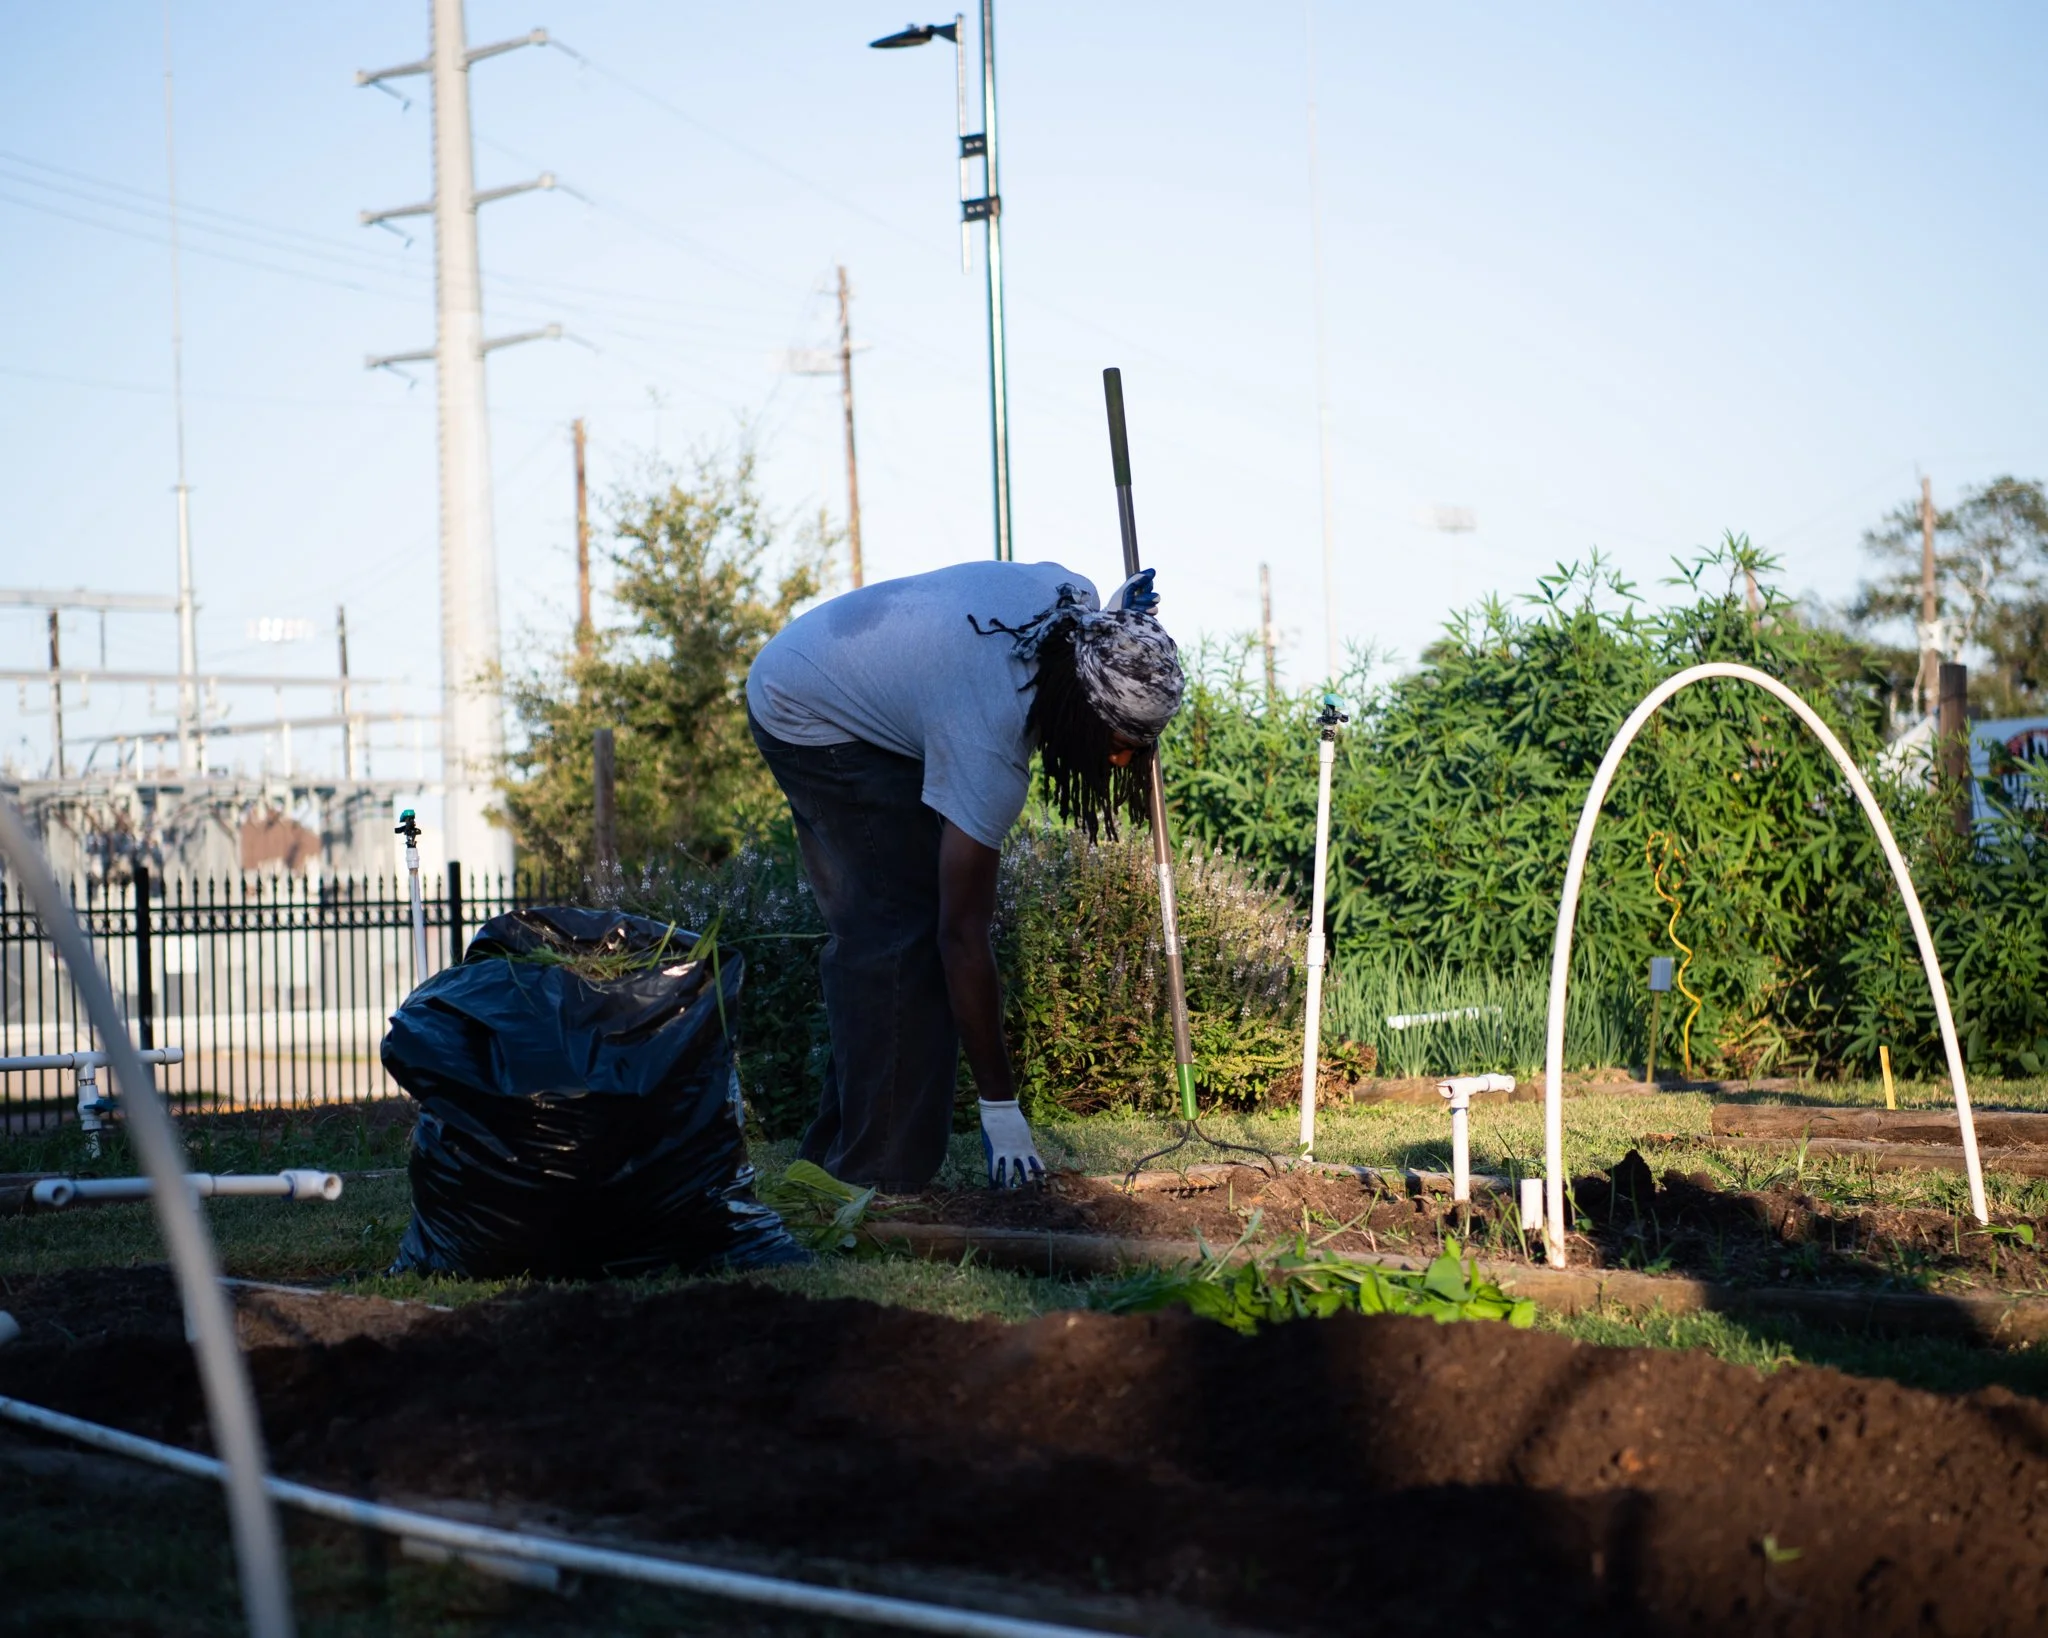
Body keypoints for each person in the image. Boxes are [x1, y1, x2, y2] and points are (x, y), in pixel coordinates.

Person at [745, 559, 1184, 1192]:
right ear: (1076, 707)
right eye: (1119, 739)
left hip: (845, 671)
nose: (1126, 759)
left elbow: (1090, 644)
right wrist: (1001, 1109)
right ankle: (874, 1180)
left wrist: (1124, 625)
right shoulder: (991, 741)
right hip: (810, 711)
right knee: (903, 933)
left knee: (899, 926)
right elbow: (962, 937)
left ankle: (837, 1155)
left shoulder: (1078, 606)